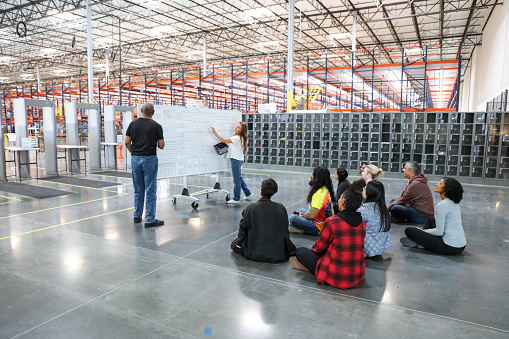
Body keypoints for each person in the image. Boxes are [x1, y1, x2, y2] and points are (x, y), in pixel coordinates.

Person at [289, 180, 366, 289]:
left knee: (300, 252)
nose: (338, 200)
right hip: (357, 273)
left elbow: (319, 248)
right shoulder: (361, 222)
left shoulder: (333, 222)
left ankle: (312, 268)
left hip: (336, 275)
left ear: (343, 202)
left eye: (340, 198)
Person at [231, 178, 296, 262]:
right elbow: (285, 230)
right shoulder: (281, 208)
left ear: (261, 189)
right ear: (273, 193)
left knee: (234, 244)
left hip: (254, 253)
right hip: (278, 253)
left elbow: (242, 233)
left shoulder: (250, 209)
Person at [400, 178, 466, 255]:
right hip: (461, 246)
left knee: (409, 230)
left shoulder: (442, 205)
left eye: (440, 183)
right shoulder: (454, 202)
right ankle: (422, 243)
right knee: (431, 219)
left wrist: (421, 231)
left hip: (449, 247)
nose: (437, 184)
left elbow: (439, 232)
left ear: (447, 188)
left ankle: (421, 242)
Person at [125, 102, 165, 227]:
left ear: (141, 110)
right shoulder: (156, 126)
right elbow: (161, 145)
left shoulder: (132, 124)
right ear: (153, 112)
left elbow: (127, 142)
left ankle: (137, 216)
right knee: (150, 190)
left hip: (135, 158)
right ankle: (149, 219)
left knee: (138, 189)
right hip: (149, 159)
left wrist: (135, 153)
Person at [211, 122, 252, 204]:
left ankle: (236, 198)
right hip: (239, 159)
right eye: (237, 126)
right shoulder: (241, 137)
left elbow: (222, 140)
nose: (236, 128)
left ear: (242, 130)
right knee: (239, 177)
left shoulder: (236, 138)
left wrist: (214, 132)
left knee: (236, 179)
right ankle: (248, 194)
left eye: (239, 127)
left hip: (235, 160)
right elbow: (233, 144)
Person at [288, 166, 335, 235]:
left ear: (317, 178)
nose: (311, 176)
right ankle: (301, 227)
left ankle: (302, 229)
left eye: (313, 174)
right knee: (301, 210)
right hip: (326, 223)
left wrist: (302, 216)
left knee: (293, 218)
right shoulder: (325, 189)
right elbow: (314, 213)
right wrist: (304, 214)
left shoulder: (318, 194)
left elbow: (312, 216)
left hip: (320, 227)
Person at [358, 181, 392, 257]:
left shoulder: (365, 209)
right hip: (381, 247)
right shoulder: (383, 208)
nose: (363, 189)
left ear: (370, 193)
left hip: (368, 250)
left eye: (365, 188)